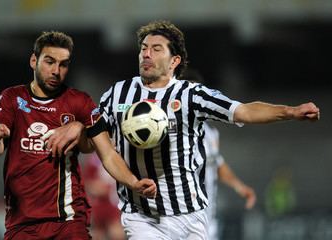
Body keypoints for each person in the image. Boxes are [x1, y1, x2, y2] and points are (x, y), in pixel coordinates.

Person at [45, 20, 320, 240]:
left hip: (191, 214)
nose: (146, 54)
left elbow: (244, 111)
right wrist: (78, 130)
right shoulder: (118, 94)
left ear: (174, 60)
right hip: (142, 216)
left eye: (156, 48)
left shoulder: (192, 96)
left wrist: (290, 112)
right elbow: (95, 142)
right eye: (143, 48)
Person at [0, 31, 156, 240]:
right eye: (49, 62)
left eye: (63, 64)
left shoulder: (79, 102)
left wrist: (133, 182)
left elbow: (106, 153)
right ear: (33, 61)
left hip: (67, 220)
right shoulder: (12, 98)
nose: (56, 71)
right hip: (22, 222)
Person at [203, 124, 256, 240]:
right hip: (185, 218)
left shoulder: (211, 131)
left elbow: (217, 163)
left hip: (207, 219)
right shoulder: (182, 129)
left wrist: (239, 187)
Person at [83, 152, 125, 240]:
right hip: (98, 206)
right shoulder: (94, 160)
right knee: (98, 233)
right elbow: (88, 183)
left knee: (117, 234)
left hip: (113, 205)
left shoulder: (118, 157)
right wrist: (97, 188)